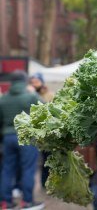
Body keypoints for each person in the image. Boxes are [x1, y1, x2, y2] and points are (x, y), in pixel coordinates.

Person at [0, 71, 42, 209]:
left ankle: (6, 202)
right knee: (28, 169)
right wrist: (34, 93)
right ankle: (27, 202)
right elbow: (44, 108)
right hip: (26, 136)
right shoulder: (30, 96)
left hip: (8, 137)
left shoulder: (3, 99)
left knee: (7, 169)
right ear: (25, 81)